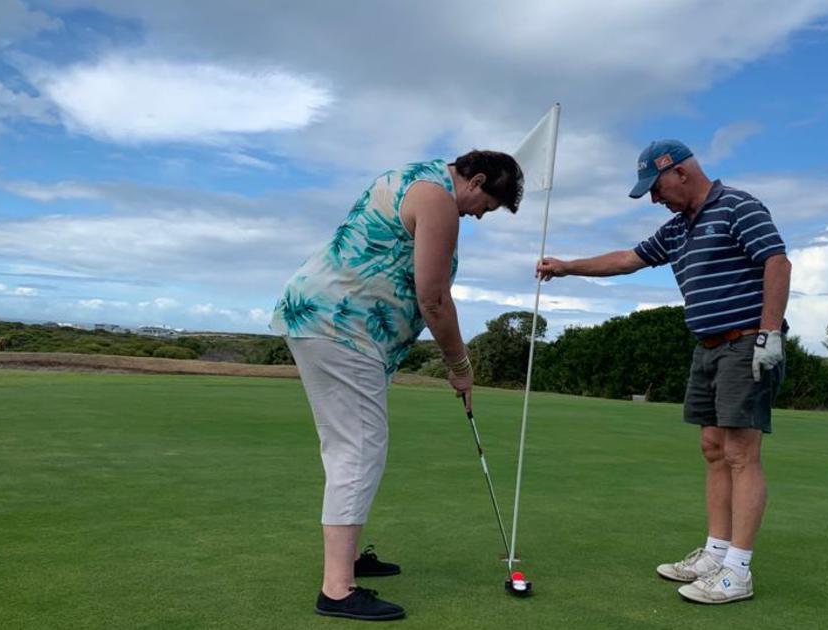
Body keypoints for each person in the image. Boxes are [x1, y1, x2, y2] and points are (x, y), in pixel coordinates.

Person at [271, 150, 523, 621]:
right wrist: (459, 364)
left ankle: (347, 560)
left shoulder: (414, 176)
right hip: (342, 328)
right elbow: (433, 298)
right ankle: (337, 589)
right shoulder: (439, 199)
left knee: (352, 445)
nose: (478, 216)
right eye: (486, 206)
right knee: (359, 448)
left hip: (326, 321)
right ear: (476, 180)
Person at [536, 139, 790, 605]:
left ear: (680, 172)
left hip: (747, 342)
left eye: (656, 188)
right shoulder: (677, 229)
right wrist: (567, 267)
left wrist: (770, 333)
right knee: (713, 449)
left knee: (741, 453)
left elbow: (777, 261)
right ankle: (715, 553)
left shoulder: (738, 206)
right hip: (707, 347)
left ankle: (738, 571)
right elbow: (627, 260)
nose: (654, 199)